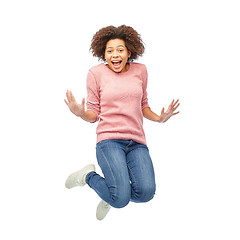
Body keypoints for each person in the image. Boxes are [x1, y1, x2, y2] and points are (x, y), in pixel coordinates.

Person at [64, 25, 180, 220]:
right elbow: (93, 114)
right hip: (109, 141)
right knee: (121, 199)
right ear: (104, 53)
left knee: (146, 193)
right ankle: (88, 177)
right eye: (109, 51)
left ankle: (109, 194)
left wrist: (160, 119)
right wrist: (80, 113)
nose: (114, 55)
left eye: (119, 50)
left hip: (137, 143)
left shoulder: (140, 71)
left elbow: (143, 106)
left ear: (129, 52)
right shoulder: (95, 73)